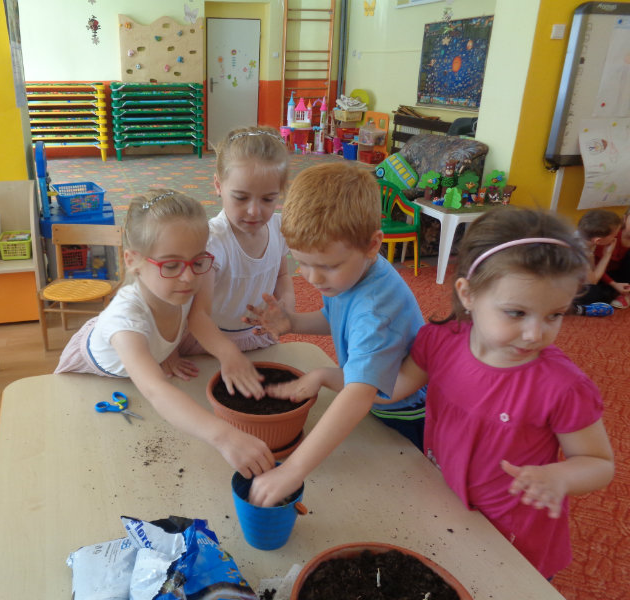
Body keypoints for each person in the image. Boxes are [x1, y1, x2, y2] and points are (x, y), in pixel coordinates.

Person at [391, 207, 614, 579]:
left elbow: (599, 463)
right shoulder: (438, 342)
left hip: (515, 533)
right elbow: (394, 388)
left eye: (555, 315)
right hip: (447, 501)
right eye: (516, 313)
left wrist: (560, 477)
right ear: (468, 294)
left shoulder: (564, 387)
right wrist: (335, 380)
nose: (535, 334)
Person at [243, 161, 427, 507]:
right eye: (302, 263)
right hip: (377, 396)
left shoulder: (376, 311)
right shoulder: (354, 271)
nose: (312, 278)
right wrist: (293, 323)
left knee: (404, 495)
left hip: (409, 417)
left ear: (373, 244)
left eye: (327, 266)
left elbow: (359, 394)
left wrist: (292, 469)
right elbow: (337, 320)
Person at [54, 189, 274, 477]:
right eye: (171, 265)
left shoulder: (180, 286)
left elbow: (196, 319)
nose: (189, 277)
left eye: (198, 262)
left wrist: (173, 350)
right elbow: (155, 390)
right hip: (94, 376)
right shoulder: (125, 321)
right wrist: (225, 437)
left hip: (145, 359)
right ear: (132, 260)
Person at [179, 126, 295, 363]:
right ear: (218, 185)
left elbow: (282, 275)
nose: (254, 211)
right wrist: (229, 355)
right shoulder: (212, 242)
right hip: (209, 340)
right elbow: (198, 316)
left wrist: (287, 305)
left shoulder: (278, 228)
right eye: (241, 197)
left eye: (268, 199)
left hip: (257, 336)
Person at [571, 208, 622, 316]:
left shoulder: (582, 236)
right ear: (598, 240)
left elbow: (592, 270)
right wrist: (607, 254)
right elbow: (592, 281)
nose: (615, 238)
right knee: (595, 293)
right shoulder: (580, 251)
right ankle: (575, 308)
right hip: (557, 287)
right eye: (614, 236)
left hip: (571, 279)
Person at [594, 206, 630, 309]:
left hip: (623, 276)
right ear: (625, 219)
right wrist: (614, 284)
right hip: (602, 275)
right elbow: (595, 267)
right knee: (596, 296)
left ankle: (626, 293)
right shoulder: (610, 235)